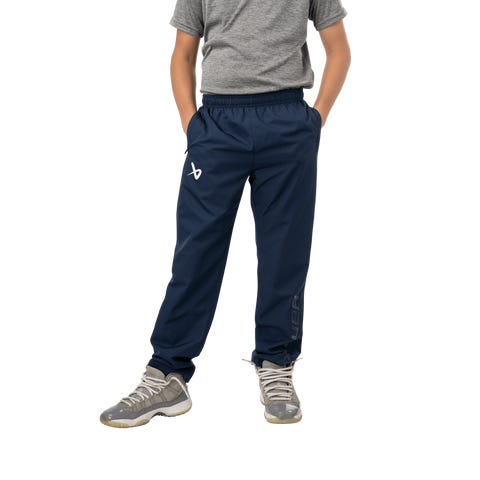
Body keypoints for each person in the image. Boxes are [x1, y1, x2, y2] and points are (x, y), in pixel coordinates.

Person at [100, 0, 351, 427]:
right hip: (217, 124)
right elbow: (182, 52)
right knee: (196, 252)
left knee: (284, 253)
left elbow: (339, 49)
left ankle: (276, 365)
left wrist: (315, 121)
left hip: (288, 123)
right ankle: (167, 373)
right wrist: (191, 124)